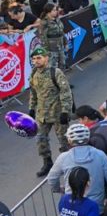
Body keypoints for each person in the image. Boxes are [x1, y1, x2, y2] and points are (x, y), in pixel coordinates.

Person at [28, 45, 74, 177]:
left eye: (39, 58)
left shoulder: (56, 72)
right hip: (41, 115)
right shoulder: (33, 74)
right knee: (41, 139)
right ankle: (47, 163)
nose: (36, 61)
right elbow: (33, 92)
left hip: (58, 113)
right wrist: (31, 108)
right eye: (34, 59)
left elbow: (65, 92)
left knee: (64, 141)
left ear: (46, 58)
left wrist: (65, 111)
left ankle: (69, 164)